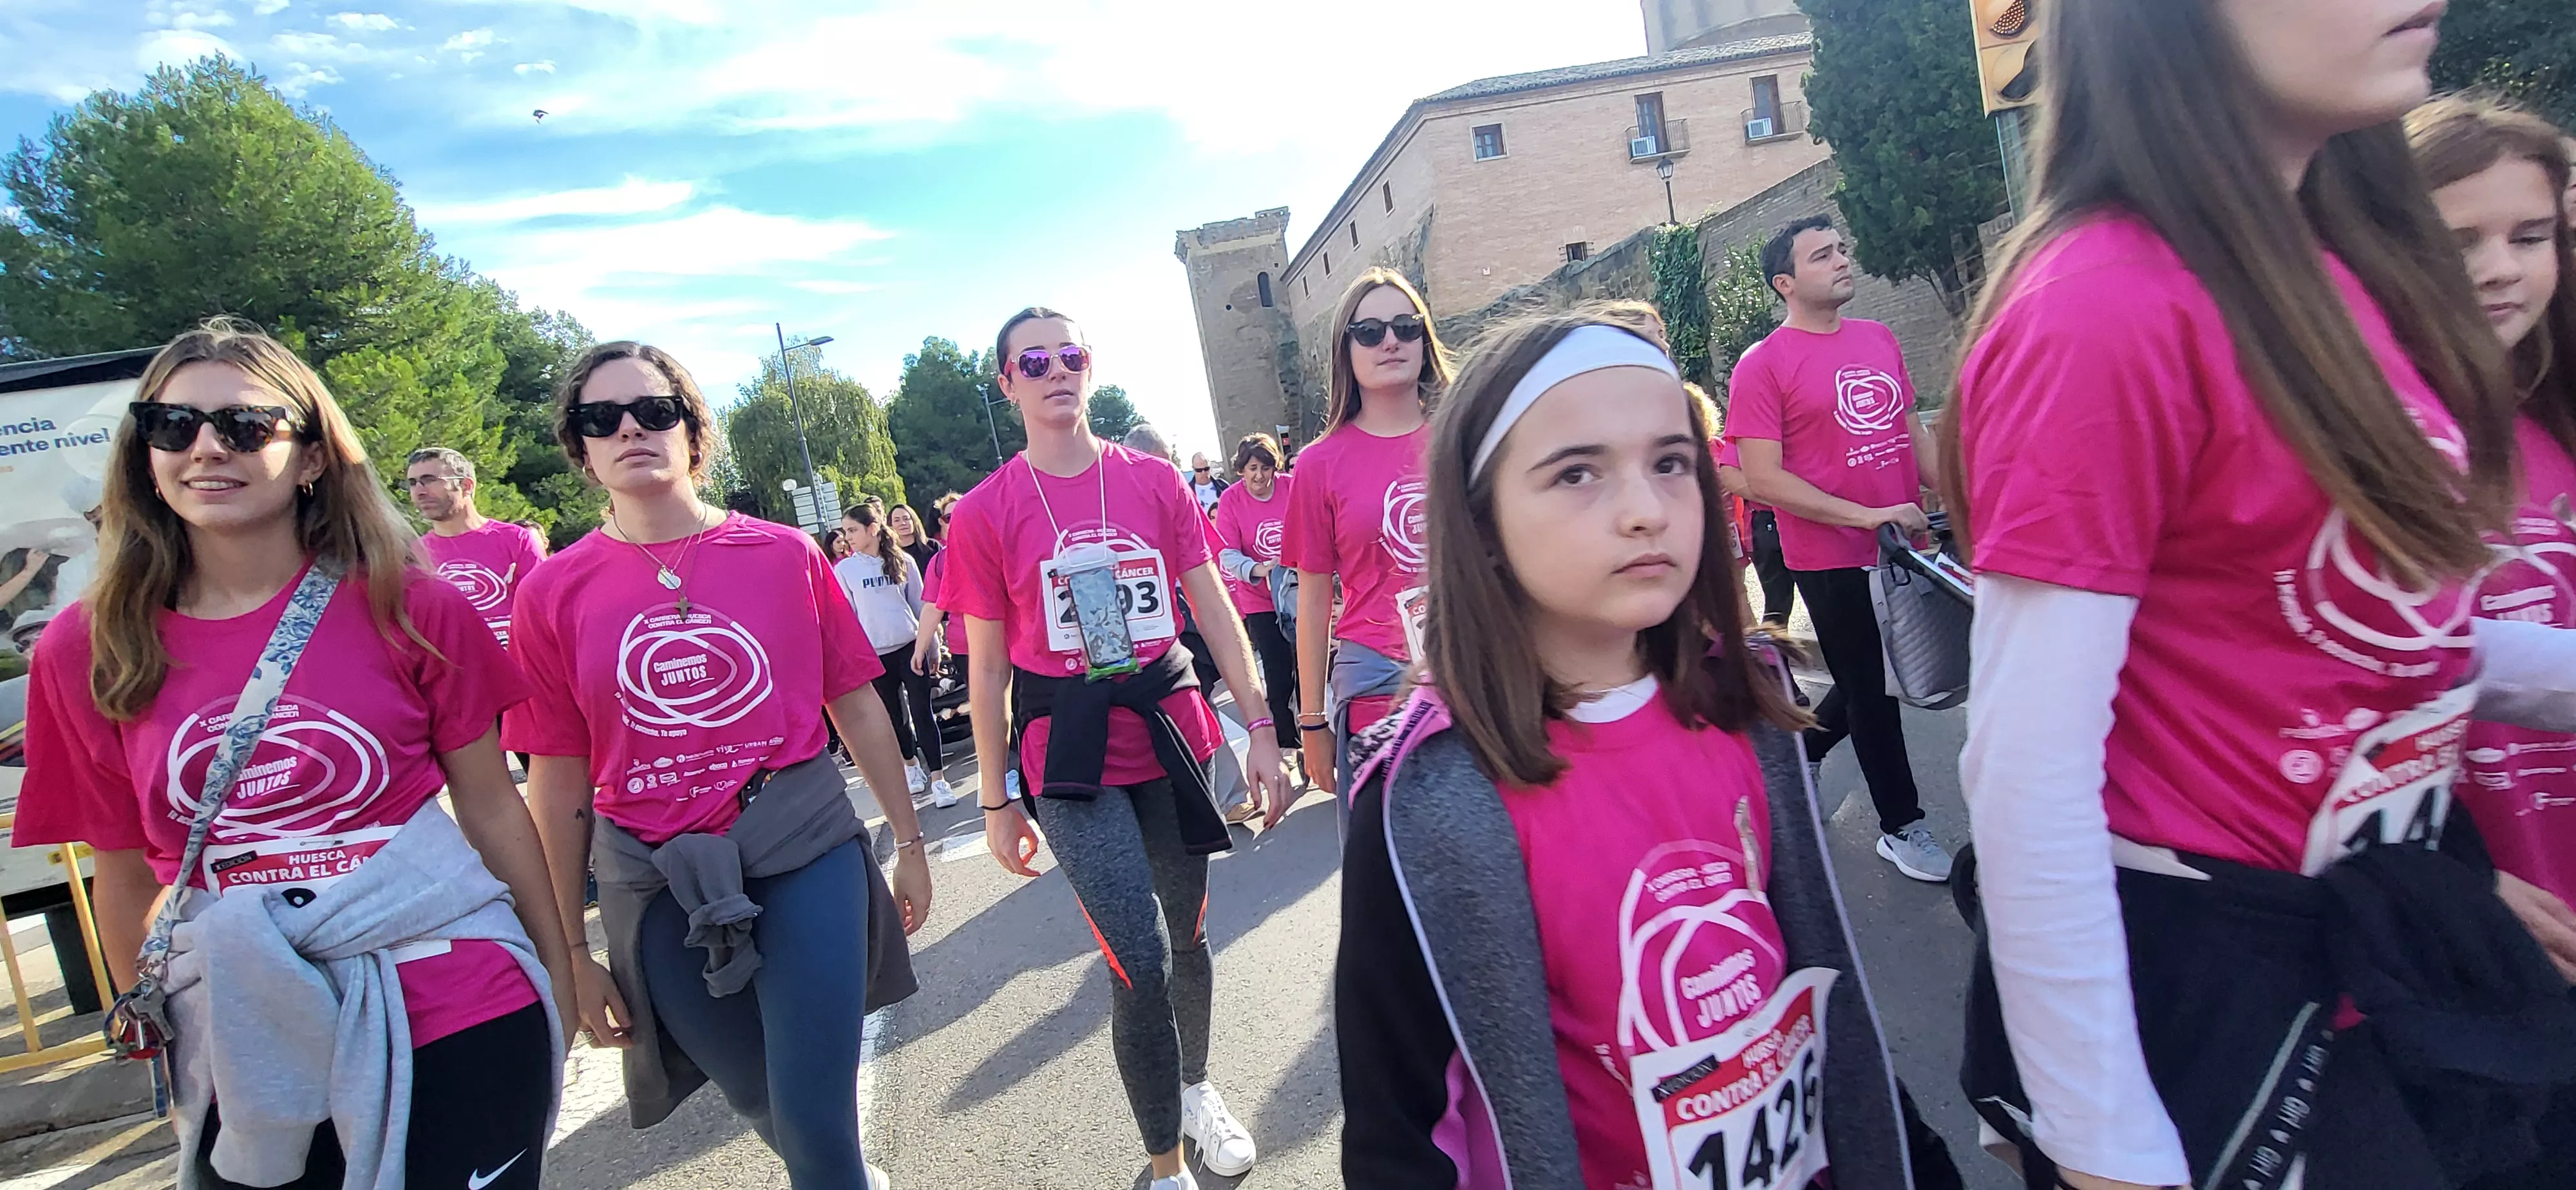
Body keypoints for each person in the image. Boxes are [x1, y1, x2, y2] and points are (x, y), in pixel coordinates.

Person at [1948, 5, 2576, 1189]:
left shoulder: (2332, 277)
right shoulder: (2102, 304)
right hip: (2224, 1006)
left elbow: (2372, 636)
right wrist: (2105, 1142)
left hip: (2381, 969)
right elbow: (2028, 770)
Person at [1334, 307, 1960, 1189]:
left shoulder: (1747, 706)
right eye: (1577, 473)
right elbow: (1398, 1135)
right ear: (1481, 523)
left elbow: (1817, 989)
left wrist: (1909, 1154)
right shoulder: (1428, 796)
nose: (1644, 511)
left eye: (1670, 463)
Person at [17, 318, 574, 1189]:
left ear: (312, 455)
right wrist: (168, 1041)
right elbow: (121, 872)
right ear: (145, 455)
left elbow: (492, 805)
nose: (207, 448)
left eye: (244, 426)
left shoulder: (412, 605)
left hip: (456, 999)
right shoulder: (86, 648)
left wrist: (558, 969)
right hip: (244, 1027)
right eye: (173, 425)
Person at [509, 341, 931, 1190]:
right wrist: (569, 951)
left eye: (654, 410)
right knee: (756, 1098)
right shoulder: (552, 593)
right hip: (652, 877)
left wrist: (911, 843)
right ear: (580, 448)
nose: (631, 429)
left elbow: (855, 704)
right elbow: (555, 780)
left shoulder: (784, 554)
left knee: (813, 1119)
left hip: (801, 845)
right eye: (602, 418)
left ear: (693, 431)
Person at [945, 307, 1289, 1190]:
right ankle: (1166, 1164)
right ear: (1007, 383)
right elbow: (988, 668)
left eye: (1069, 354)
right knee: (1138, 959)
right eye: (1033, 361)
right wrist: (995, 798)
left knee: (1188, 936)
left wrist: (1261, 726)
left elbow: (1211, 604)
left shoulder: (1154, 481)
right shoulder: (984, 512)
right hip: (1070, 755)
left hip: (1171, 732)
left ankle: (1197, 1089)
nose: (1055, 370)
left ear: (1089, 366)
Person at [2410, 92, 2576, 1189]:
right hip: (2470, 935)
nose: (2500, 268)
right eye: (2459, 239)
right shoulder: (2363, 445)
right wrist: (2451, 882)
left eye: (2531, 234)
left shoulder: (2557, 422)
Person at [1729, 214, 1952, 883]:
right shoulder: (1762, 365)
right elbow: (1764, 479)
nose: (1842, 260)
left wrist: (1961, 495)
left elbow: (1914, 437)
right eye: (1822, 255)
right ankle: (1901, 827)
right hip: (1829, 560)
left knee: (1875, 681)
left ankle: (1803, 752)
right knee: (1874, 695)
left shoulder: (1879, 337)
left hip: (1904, 548)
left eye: (1842, 249)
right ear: (1785, 283)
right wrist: (1868, 515)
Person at [1286, 267, 1456, 800]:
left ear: (1424, 339)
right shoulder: (1318, 464)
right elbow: (1313, 600)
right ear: (1347, 348)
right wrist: (1312, 721)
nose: (1390, 341)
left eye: (1406, 327)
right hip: (1376, 677)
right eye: (1370, 331)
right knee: (1389, 841)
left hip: (1475, 663)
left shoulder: (1466, 437)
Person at [837, 501, 956, 808]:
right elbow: (848, 619)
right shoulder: (846, 570)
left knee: (922, 712)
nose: (848, 537)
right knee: (896, 718)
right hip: (876, 656)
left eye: (853, 530)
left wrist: (931, 646)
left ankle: (939, 779)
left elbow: (921, 607)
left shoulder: (903, 560)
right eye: (845, 531)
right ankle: (911, 765)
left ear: (872, 529)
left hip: (910, 648)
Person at [404, 447, 548, 651]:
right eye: (413, 483)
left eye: (430, 480)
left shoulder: (517, 540)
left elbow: (545, 610)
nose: (420, 491)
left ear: (466, 485)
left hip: (516, 665)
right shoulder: (413, 555)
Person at [1212, 433, 1300, 764]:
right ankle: (1287, 742)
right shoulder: (1232, 501)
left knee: (1308, 666)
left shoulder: (1291, 487)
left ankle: (1312, 728)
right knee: (1278, 671)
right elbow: (1226, 553)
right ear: (1241, 471)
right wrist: (1258, 569)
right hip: (1260, 600)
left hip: (1297, 592)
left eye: (1266, 468)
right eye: (1253, 469)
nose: (1260, 476)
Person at [889, 502, 940, 576]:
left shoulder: (932, 546)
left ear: (914, 521)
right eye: (897, 520)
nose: (903, 523)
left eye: (906, 519)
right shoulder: (889, 553)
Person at [1188, 452, 1227, 518]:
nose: (1203, 473)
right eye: (1199, 470)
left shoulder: (1223, 486)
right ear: (1193, 469)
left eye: (1206, 469)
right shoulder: (1188, 492)